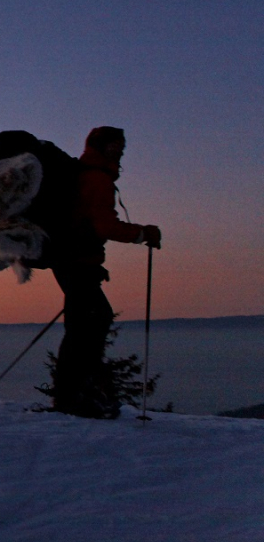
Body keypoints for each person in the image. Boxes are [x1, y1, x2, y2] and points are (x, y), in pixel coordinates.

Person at [50, 126, 162, 418]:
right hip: (76, 261)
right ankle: (76, 399)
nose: (121, 151)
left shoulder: (87, 174)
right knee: (90, 325)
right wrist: (142, 233)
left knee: (85, 324)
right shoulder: (96, 178)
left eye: (122, 146)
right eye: (116, 146)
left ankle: (71, 397)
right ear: (101, 147)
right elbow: (104, 226)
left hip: (73, 260)